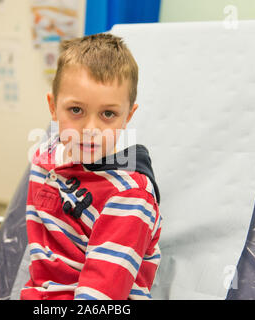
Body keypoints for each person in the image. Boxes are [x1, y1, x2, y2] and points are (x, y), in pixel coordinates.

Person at [20, 33, 162, 300]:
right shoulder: (45, 157)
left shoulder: (130, 197)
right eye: (76, 110)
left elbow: (100, 296)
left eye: (108, 114)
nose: (90, 130)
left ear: (128, 116)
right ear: (53, 107)